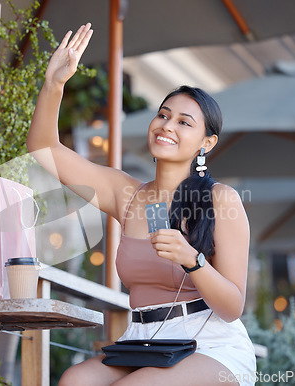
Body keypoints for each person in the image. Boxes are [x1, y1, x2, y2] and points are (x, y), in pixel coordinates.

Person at [26, 23, 256, 386]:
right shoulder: (127, 194)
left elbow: (232, 306)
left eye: (184, 122)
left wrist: (191, 259)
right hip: (143, 340)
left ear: (206, 144)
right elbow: (44, 150)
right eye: (163, 115)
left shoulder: (219, 199)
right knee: (74, 380)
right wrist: (54, 83)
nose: (167, 125)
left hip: (209, 344)